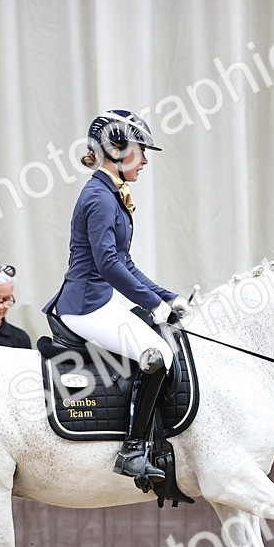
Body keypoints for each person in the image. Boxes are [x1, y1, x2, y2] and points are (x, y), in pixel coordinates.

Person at [42, 110, 188, 488]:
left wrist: (167, 297)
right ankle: (134, 450)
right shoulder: (100, 198)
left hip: (98, 299)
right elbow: (108, 264)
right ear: (117, 149)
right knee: (158, 356)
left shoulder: (109, 193)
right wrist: (154, 307)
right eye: (141, 150)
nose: (145, 159)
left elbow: (124, 262)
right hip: (86, 305)